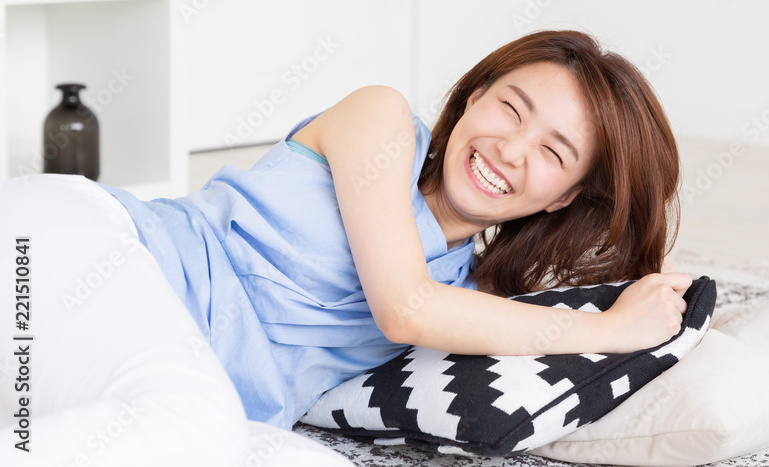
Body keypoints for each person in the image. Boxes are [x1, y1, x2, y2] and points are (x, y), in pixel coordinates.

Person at [0, 29, 689, 464]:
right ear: (475, 96)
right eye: (510, 108)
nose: (510, 149)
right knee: (191, 424)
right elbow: (404, 307)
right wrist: (610, 330)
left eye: (553, 152)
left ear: (566, 196)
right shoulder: (381, 121)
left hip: (127, 369)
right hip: (80, 247)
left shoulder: (475, 295)